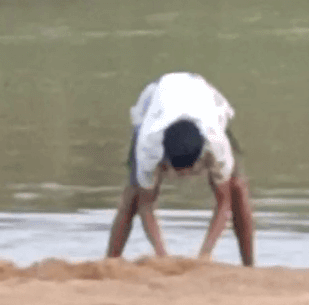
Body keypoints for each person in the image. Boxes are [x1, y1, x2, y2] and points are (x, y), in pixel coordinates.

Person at [105, 72, 255, 266]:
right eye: (178, 171)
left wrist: (205, 255)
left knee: (237, 188)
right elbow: (146, 205)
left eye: (188, 170)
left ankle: (250, 265)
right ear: (164, 157)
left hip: (202, 99)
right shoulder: (149, 145)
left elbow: (224, 202)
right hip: (155, 101)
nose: (184, 178)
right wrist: (162, 256)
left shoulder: (215, 143)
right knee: (134, 193)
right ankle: (109, 263)